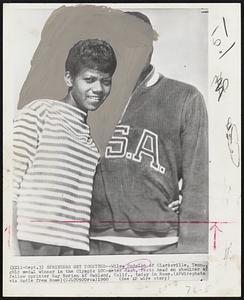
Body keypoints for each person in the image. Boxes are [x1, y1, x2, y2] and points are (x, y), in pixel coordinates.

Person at [90, 12, 208, 255]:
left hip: (160, 247)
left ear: (151, 47)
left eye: (140, 42)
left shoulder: (184, 97)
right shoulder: (92, 97)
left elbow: (198, 184)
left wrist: (192, 252)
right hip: (96, 246)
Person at [12, 39, 117, 256]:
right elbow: (8, 187)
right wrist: (10, 251)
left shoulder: (90, 145)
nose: (98, 89)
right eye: (89, 79)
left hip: (75, 249)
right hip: (32, 242)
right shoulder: (39, 113)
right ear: (69, 78)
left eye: (106, 81)